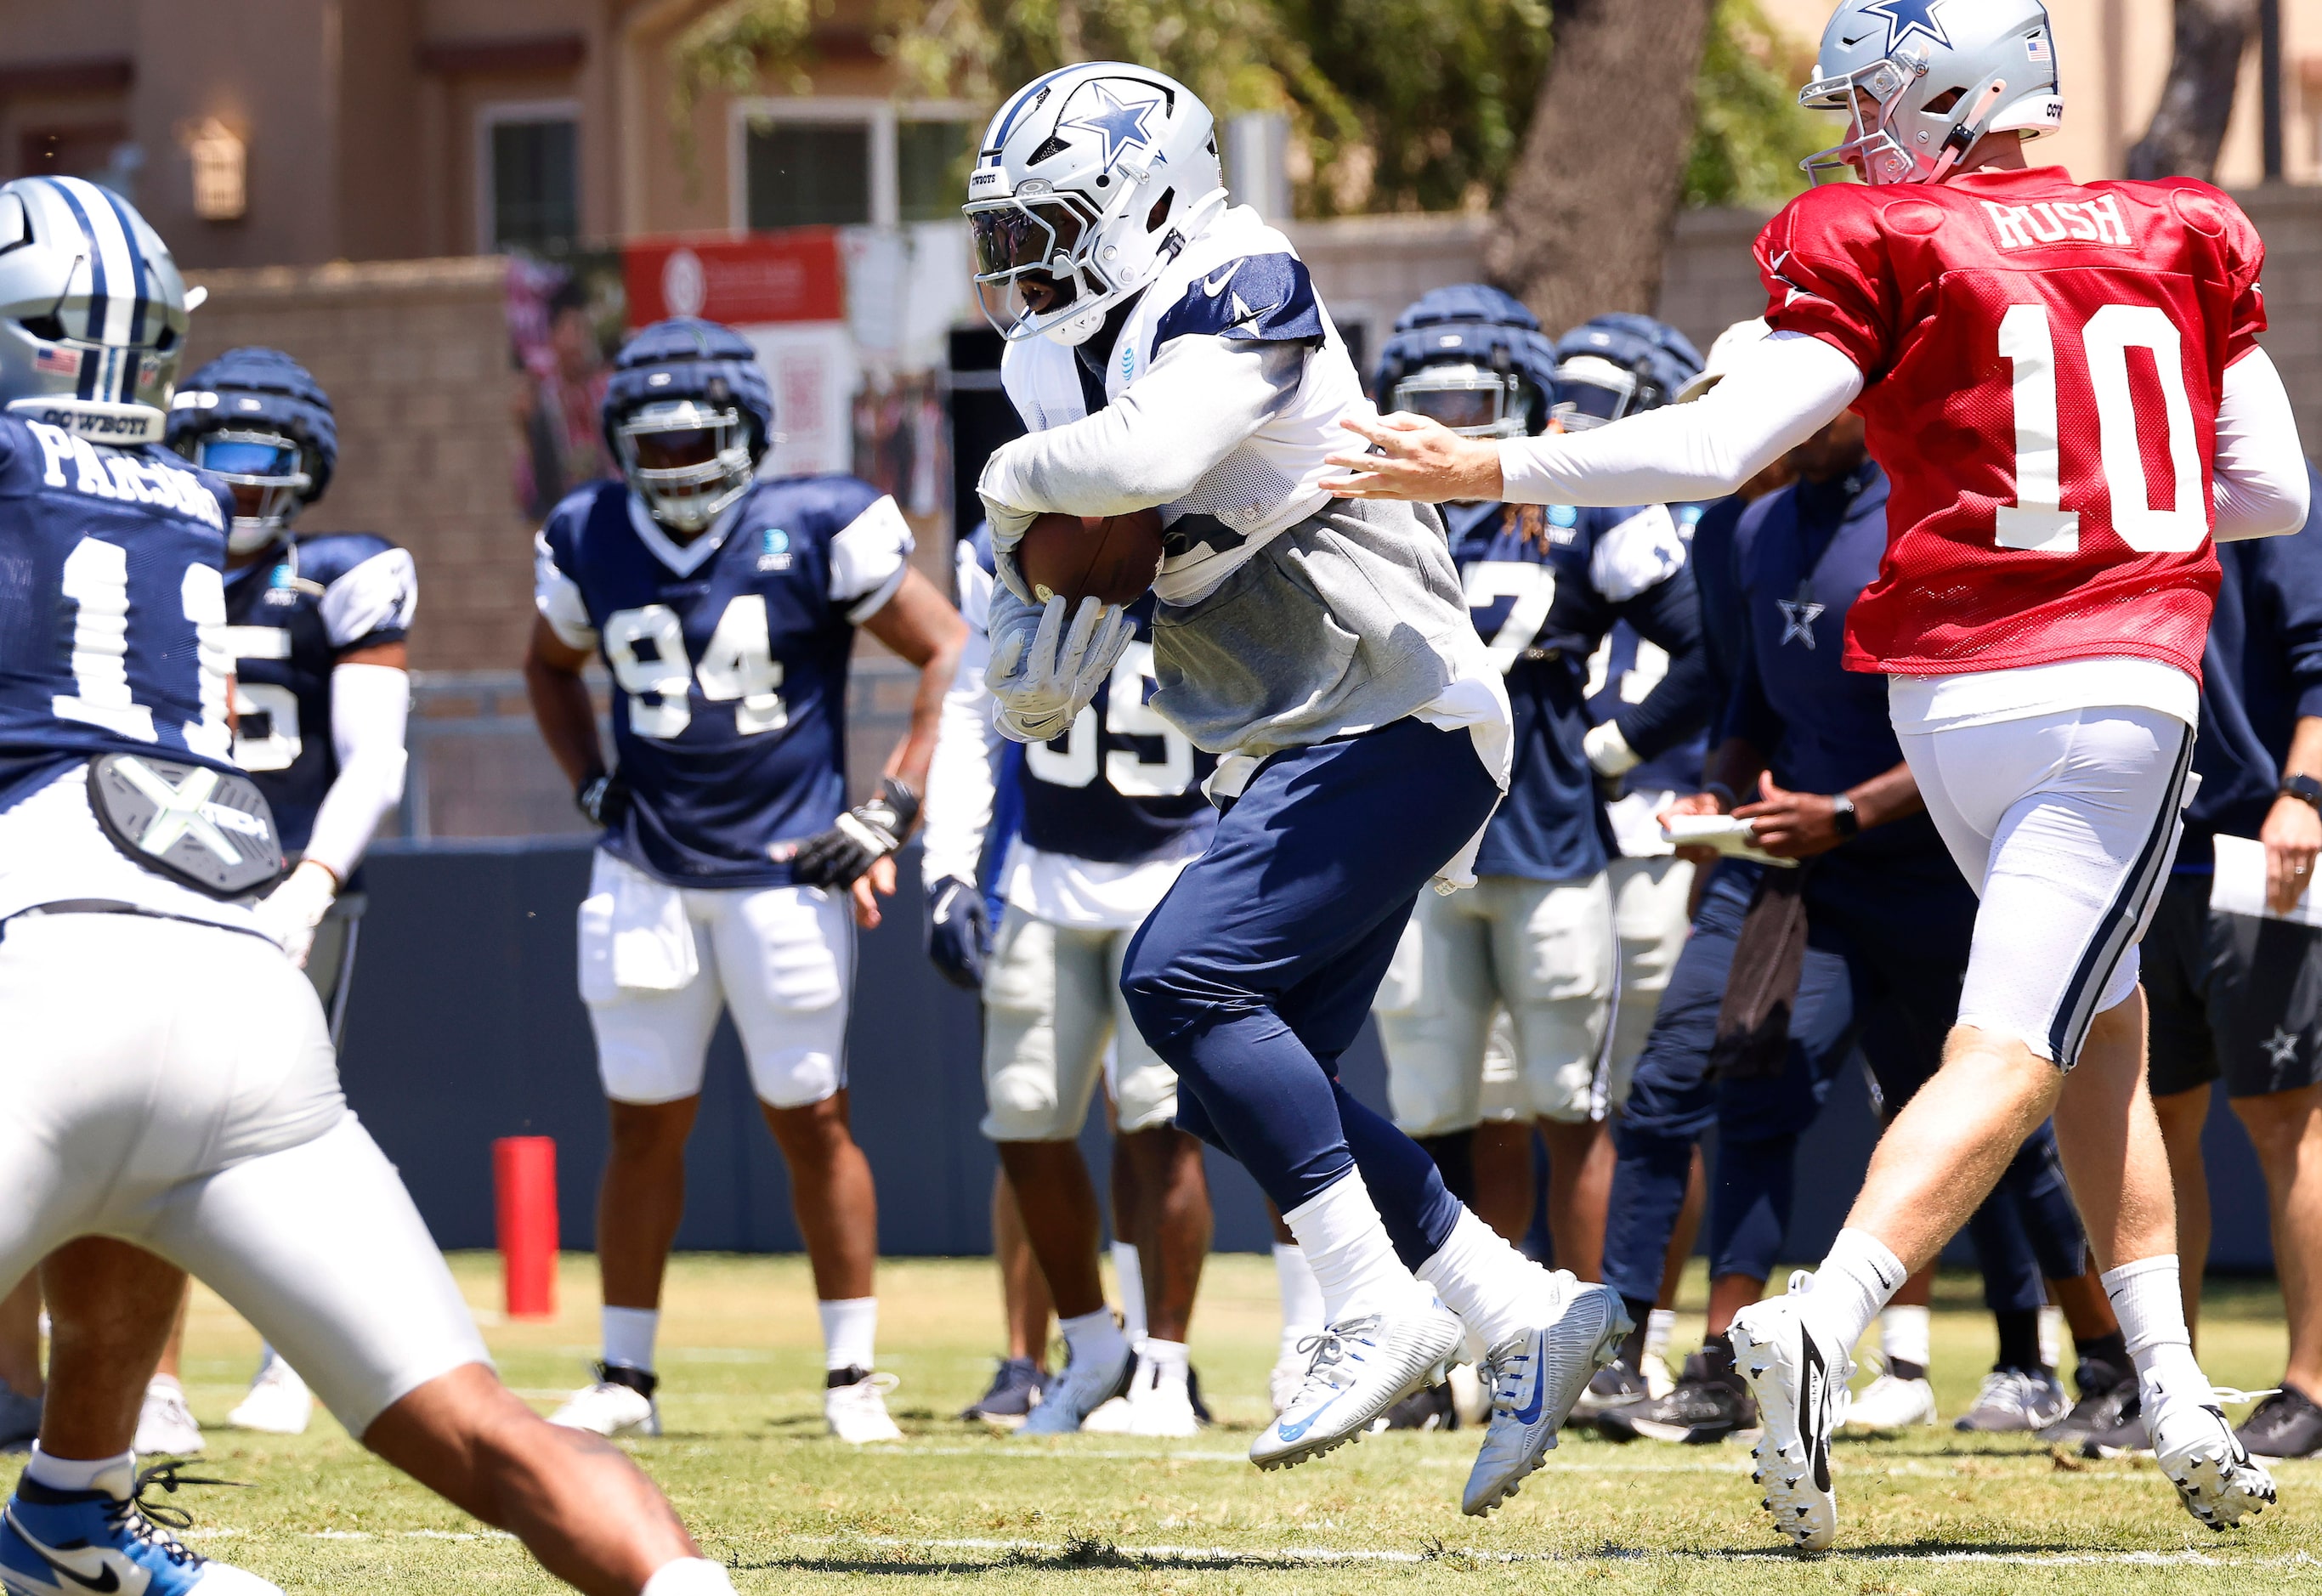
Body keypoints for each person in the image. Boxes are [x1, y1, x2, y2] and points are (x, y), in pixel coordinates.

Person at [1323, 0, 2306, 1545]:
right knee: (2016, 1047)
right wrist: (2120, 514)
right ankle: (1822, 1315)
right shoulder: (2179, 222)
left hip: (1942, 700)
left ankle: (2174, 1388)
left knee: (2093, 1016)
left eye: (1871, 98)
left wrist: (1492, 462)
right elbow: (2267, 490)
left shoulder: (1880, 237)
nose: (1853, 132)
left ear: (1954, 89)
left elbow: (1718, 445)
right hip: (2106, 685)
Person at [0, 171, 738, 1596]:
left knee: (99, 1159)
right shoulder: (182, 503)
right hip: (237, 994)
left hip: (41, 969)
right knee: (490, 1428)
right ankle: (73, 1521)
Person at [965, 62, 1625, 1515]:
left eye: (1048, 226)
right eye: (1002, 233)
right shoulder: (1046, 357)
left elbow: (1135, 459)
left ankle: (1373, 1305)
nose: (1018, 265)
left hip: (1399, 699)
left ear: (1143, 201)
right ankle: (1518, 1307)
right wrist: (1020, 619)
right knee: (1242, 1076)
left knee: (1179, 981)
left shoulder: (1239, 274)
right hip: (1290, 730)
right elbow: (1109, 548)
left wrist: (1004, 491)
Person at [1573, 410, 2104, 1446]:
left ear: (1873, 400)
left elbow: (1988, 716)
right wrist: (1716, 796)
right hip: (1800, 878)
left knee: (1994, 1126)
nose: (1785, 422)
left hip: (1939, 872)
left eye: (1813, 400)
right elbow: (1748, 706)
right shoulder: (1749, 529)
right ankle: (1713, 1360)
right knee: (1734, 1072)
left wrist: (1850, 812)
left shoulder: (1941, 513)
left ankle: (2100, 1356)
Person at [525, 317, 966, 1445]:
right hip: (647, 867)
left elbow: (950, 651)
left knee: (815, 1116)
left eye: (693, 442)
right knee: (639, 1127)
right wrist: (589, 784)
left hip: (786, 868)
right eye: (651, 445)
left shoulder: (815, 521)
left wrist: (890, 808)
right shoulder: (586, 530)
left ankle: (851, 1374)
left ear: (747, 434)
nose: (672, 467)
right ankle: (625, 1372)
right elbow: (548, 668)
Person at [1363, 291, 1710, 1293]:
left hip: (1544, 842)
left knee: (1573, 1105)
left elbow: (1702, 648)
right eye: (1431, 403)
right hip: (1411, 860)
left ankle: (1592, 1346)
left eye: (1474, 404)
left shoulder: (1581, 501)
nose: (1451, 428)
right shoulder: (1361, 507)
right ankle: (1451, 1346)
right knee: (1433, 1112)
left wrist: (1607, 751)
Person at [143, 347, 416, 1445]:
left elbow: (378, 758)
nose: (234, 488)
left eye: (259, 465)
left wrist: (313, 877)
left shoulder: (346, 575)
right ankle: (152, 1382)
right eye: (213, 462)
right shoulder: (149, 563)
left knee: (291, 1132)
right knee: (152, 1129)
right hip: (159, 880)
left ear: (308, 470)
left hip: (293, 884)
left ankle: (287, 1364)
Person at [920, 523, 1217, 1435]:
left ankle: (1163, 1367)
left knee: (1161, 1125)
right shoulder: (1013, 537)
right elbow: (973, 703)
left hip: (1176, 866)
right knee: (1023, 1116)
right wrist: (947, 868)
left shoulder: (1222, 529)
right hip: (1043, 871)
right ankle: (1091, 1350)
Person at [2126, 461, 2322, 1460]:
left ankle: (2309, 1386)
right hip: (2136, 848)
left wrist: (2303, 791)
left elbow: (2319, 653)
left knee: (2283, 1117)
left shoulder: (2266, 488)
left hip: (2259, 848)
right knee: (2153, 1124)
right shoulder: (2114, 478)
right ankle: (2171, 1379)